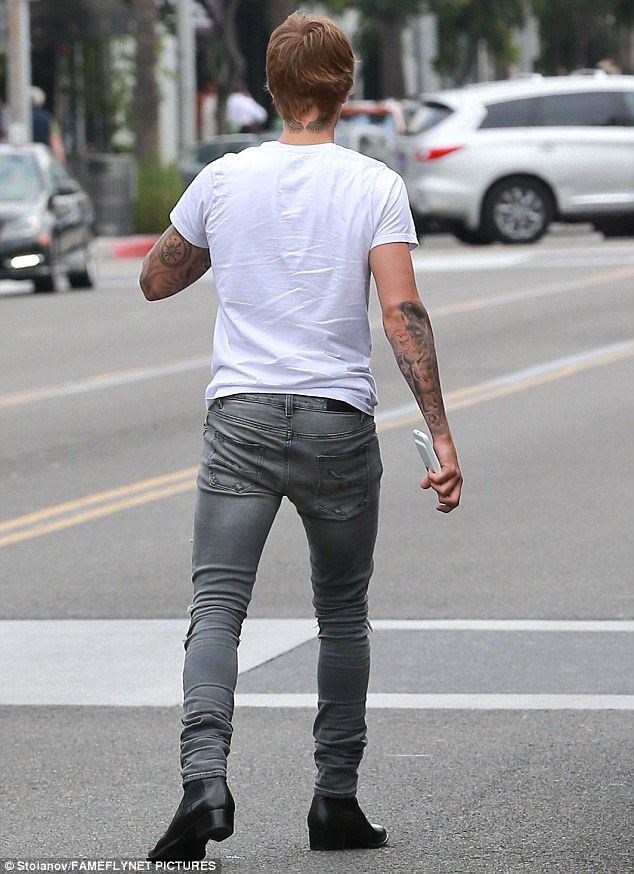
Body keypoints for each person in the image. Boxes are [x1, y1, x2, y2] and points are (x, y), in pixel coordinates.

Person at [140, 11, 462, 862]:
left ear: (273, 89)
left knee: (216, 608)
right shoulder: (372, 185)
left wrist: (225, 240)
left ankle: (203, 782)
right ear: (346, 90)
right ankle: (334, 802)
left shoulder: (223, 179)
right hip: (336, 423)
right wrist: (440, 432)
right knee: (343, 612)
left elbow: (154, 279)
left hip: (241, 417)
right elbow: (402, 313)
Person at [30, 86, 65, 162]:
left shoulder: (18, 119)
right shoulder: (49, 118)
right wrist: (60, 161)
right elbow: (55, 141)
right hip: (43, 158)